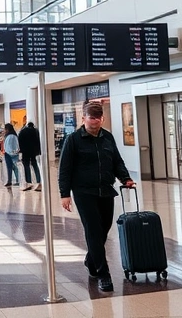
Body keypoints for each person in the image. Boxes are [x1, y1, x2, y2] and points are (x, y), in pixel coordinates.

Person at [59, 101, 135, 293]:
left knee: (104, 229)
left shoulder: (107, 137)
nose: (94, 121)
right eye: (91, 117)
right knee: (93, 231)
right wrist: (64, 194)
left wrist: (125, 178)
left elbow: (116, 160)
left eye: (98, 117)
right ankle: (103, 274)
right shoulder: (74, 139)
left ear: (103, 118)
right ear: (83, 118)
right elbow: (65, 169)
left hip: (105, 189)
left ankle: (90, 261)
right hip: (84, 191)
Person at [18, 121, 42, 191]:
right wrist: (38, 151)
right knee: (35, 165)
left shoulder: (23, 131)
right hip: (33, 151)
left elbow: (20, 141)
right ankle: (38, 181)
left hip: (25, 151)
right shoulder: (36, 131)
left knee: (26, 165)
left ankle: (29, 182)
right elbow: (39, 141)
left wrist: (21, 150)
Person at [2, 123, 21, 188]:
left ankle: (14, 180)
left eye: (5, 129)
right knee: (12, 168)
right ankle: (11, 180)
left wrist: (10, 152)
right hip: (11, 153)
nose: (4, 130)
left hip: (10, 154)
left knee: (12, 168)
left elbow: (10, 146)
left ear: (7, 129)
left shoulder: (10, 136)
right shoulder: (13, 136)